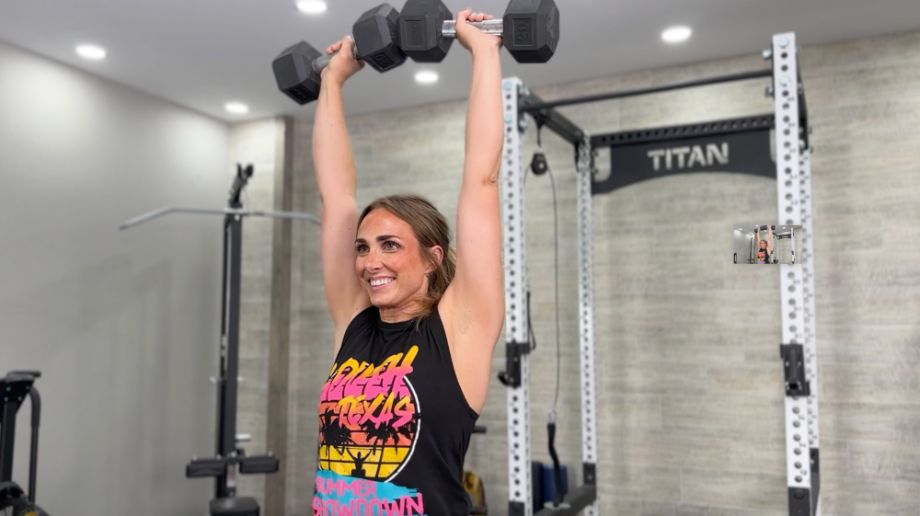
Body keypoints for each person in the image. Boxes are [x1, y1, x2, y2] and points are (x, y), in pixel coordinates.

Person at [310, 10, 504, 515]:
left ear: (433, 259)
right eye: (363, 246)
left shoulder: (460, 328)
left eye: (391, 245)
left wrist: (483, 52)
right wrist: (333, 81)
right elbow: (336, 198)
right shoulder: (355, 323)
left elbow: (481, 182)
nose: (371, 260)